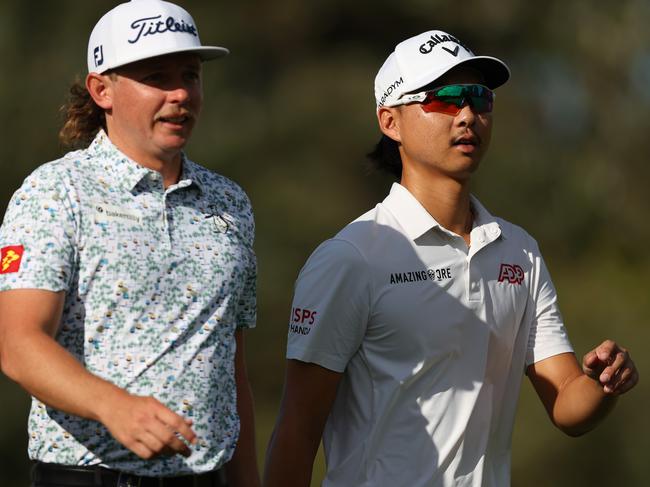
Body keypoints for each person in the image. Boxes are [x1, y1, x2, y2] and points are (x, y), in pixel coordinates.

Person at [263, 30, 639, 487]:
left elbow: (565, 402)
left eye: (479, 97)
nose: (467, 115)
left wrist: (602, 386)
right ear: (390, 122)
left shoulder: (518, 251)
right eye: (442, 99)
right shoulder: (351, 258)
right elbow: (298, 431)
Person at [0, 1, 260, 485]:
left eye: (190, 74)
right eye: (157, 76)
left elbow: (231, 366)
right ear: (103, 90)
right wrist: (113, 407)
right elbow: (19, 344)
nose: (181, 92)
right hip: (89, 475)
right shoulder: (57, 192)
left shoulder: (230, 202)